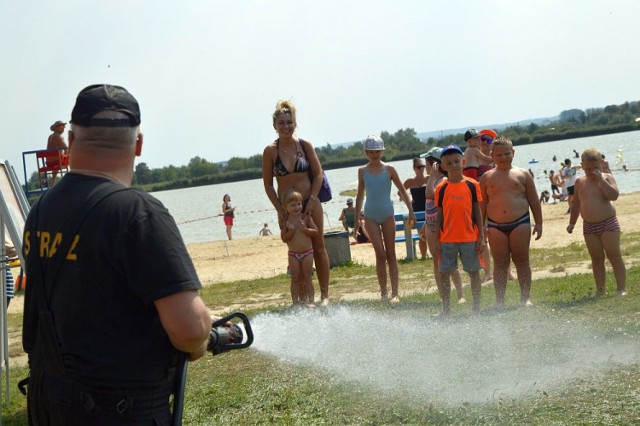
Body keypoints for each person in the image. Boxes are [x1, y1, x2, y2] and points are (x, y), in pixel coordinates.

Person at [22, 84, 213, 424]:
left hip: (49, 403)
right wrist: (201, 338)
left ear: (71, 139)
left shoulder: (41, 209)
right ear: (138, 144)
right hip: (118, 409)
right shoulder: (137, 213)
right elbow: (189, 330)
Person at [262, 99, 330, 306]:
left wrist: (313, 201)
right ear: (274, 126)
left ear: (295, 123)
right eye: (281, 123)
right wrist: (280, 210)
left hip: (311, 201)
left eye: (289, 122)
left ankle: (325, 295)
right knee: (295, 248)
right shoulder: (270, 151)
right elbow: (267, 184)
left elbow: (318, 174)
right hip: (287, 208)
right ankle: (300, 298)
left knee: (318, 246)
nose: (286, 127)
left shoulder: (305, 145)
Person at [480, 135, 543, 308]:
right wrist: (479, 229)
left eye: (507, 154)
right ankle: (500, 301)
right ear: (492, 155)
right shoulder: (486, 177)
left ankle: (525, 298)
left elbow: (534, 200)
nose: (503, 158)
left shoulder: (523, 174)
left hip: (520, 222)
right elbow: (482, 205)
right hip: (495, 226)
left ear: (513, 152)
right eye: (499, 155)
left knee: (522, 260)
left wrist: (539, 223)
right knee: (500, 263)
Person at [354, 135, 416, 303]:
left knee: (391, 254)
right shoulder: (362, 171)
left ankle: (395, 293)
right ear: (366, 152)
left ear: (382, 152)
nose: (375, 155)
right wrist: (355, 222)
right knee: (380, 254)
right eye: (371, 152)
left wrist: (410, 210)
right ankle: (383, 293)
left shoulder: (389, 169)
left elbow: (403, 191)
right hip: (370, 215)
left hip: (387, 214)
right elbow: (360, 195)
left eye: (377, 151)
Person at [567, 148, 626, 297]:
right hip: (589, 226)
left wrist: (601, 180)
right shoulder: (580, 181)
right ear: (582, 166)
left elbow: (614, 196)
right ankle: (600, 290)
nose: (592, 172)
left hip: (608, 223)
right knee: (597, 258)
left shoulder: (607, 178)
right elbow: (576, 204)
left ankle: (621, 288)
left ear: (601, 164)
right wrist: (572, 223)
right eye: (588, 169)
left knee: (614, 255)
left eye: (596, 168)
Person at [434, 145, 485, 315]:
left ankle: (476, 308)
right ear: (443, 166)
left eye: (457, 161)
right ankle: (446, 309)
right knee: (444, 273)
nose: (454, 165)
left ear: (463, 162)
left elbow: (478, 213)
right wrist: (436, 240)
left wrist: (481, 237)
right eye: (449, 163)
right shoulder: (441, 188)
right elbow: (439, 216)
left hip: (470, 238)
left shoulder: (472, 185)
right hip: (447, 240)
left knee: (474, 273)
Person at [423, 147, 465, 303]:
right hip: (430, 225)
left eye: (426, 163)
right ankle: (443, 295)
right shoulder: (432, 179)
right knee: (436, 261)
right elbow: (428, 204)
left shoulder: (442, 180)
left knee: (448, 261)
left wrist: (433, 175)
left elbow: (430, 195)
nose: (424, 167)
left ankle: (460, 294)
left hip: (443, 226)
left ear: (434, 164)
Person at [281, 188, 318, 307]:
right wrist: (291, 231)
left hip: (307, 252)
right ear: (286, 207)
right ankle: (295, 302)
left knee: (308, 277)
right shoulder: (286, 221)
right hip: (293, 254)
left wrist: (305, 230)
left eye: (299, 204)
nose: (297, 207)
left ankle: (311, 301)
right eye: (293, 205)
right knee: (295, 278)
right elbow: (284, 238)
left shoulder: (305, 218)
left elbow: (316, 232)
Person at [403, 157, 429, 259]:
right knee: (421, 234)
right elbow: (400, 193)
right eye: (419, 167)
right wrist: (408, 201)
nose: (421, 168)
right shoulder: (410, 181)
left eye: (423, 166)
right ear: (414, 168)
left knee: (430, 233)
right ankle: (423, 256)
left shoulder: (429, 178)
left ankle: (433, 254)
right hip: (417, 210)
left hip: (429, 209)